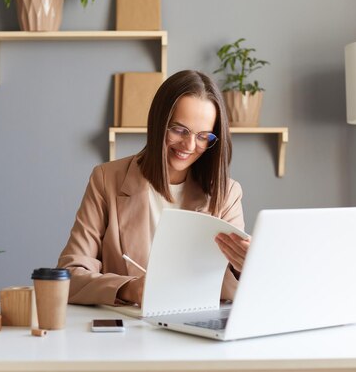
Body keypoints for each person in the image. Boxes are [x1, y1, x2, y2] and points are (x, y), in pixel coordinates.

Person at [57, 70, 250, 306]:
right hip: (129, 332)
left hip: (198, 327)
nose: (189, 145)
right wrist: (129, 288)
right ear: (159, 123)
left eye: (203, 136)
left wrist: (245, 267)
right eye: (179, 130)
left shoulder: (227, 193)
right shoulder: (106, 179)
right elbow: (69, 276)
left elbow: (234, 288)